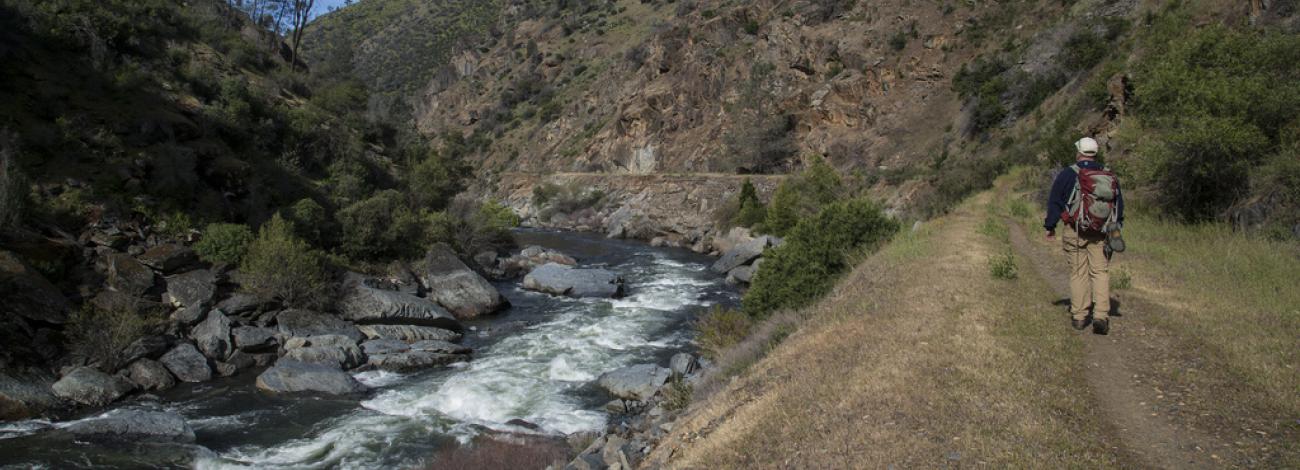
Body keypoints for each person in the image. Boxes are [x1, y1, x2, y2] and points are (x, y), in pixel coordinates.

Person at [1044, 137, 1124, 334]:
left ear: (1079, 152)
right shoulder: (1107, 174)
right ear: (1095, 153)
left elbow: (1055, 201)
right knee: (1100, 272)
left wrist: (1050, 226)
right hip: (1102, 231)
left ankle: (1079, 317)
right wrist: (1116, 229)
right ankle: (1101, 315)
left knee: (1078, 273)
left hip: (1075, 229)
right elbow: (1118, 206)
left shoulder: (1068, 174)